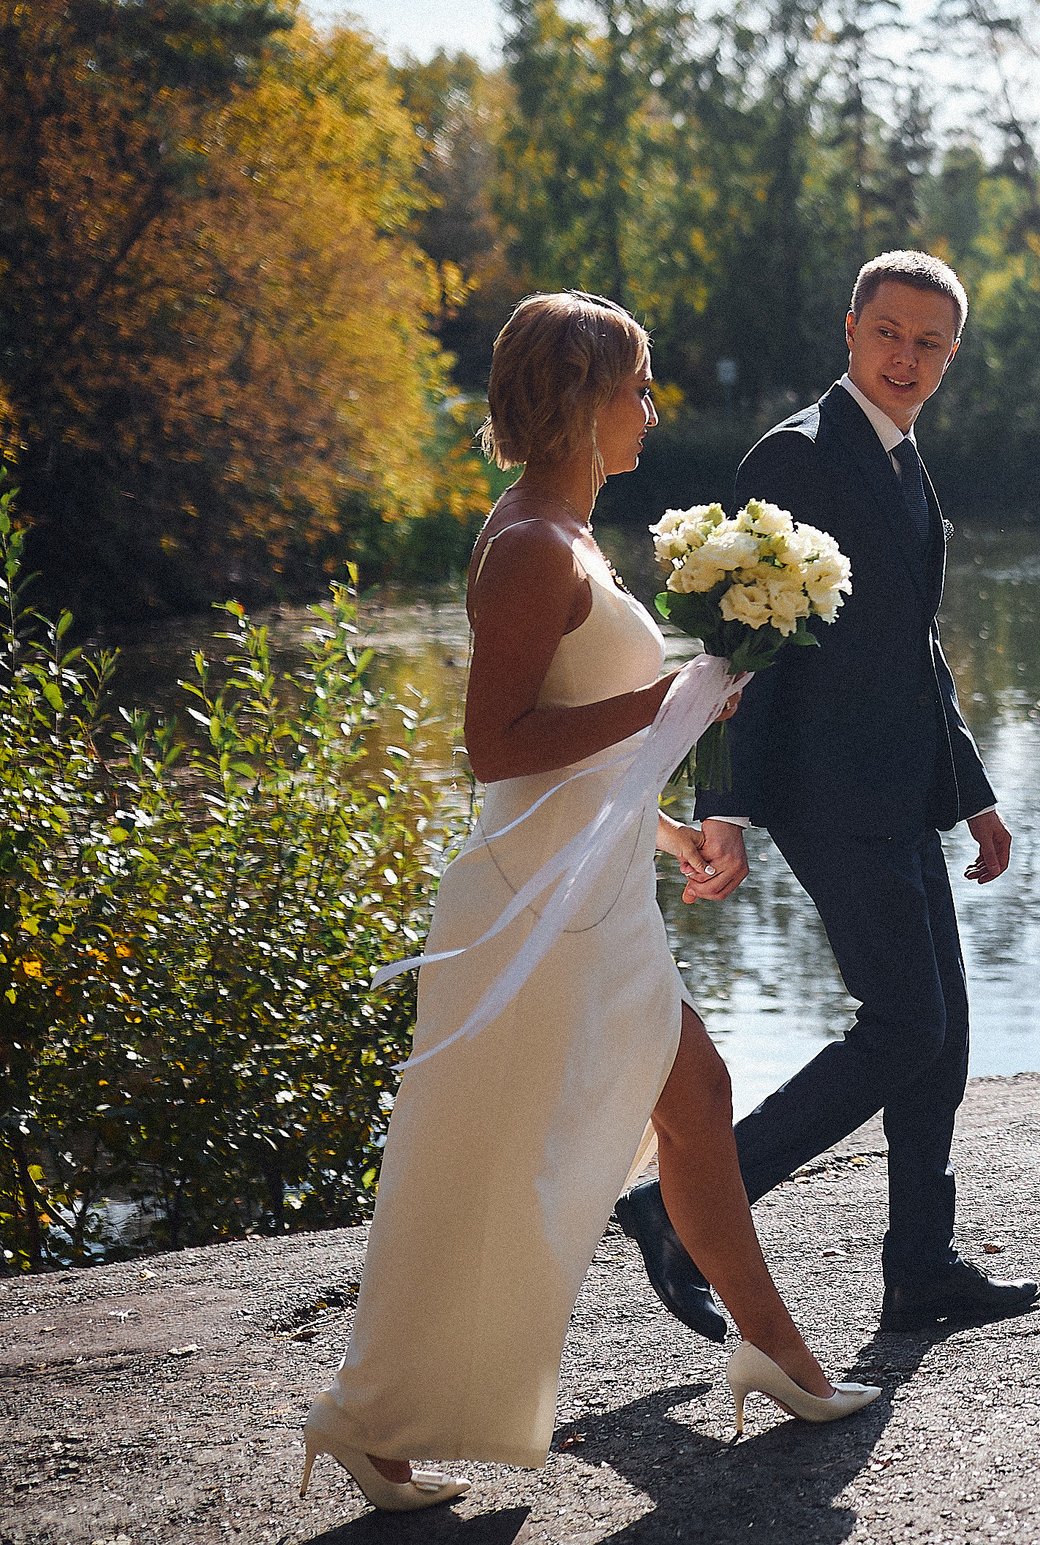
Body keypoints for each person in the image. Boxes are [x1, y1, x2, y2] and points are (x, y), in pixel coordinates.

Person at [300, 291, 871, 1515]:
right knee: (481, 1154)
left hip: (593, 890)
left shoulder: (569, 535)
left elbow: (574, 752)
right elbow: (496, 746)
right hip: (534, 915)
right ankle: (371, 1415)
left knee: (696, 1095)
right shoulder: (527, 549)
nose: (652, 408)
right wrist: (676, 695)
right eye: (640, 386)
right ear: (583, 397)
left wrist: (662, 826)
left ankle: (769, 1345)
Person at [615, 252, 1039, 1341]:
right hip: (825, 791)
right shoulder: (797, 456)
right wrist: (729, 808)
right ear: (850, 329)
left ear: (950, 355)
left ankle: (920, 1266)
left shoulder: (903, 461)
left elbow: (914, 653)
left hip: (903, 787)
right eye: (889, 332)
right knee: (903, 1022)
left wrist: (975, 796)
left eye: (929, 342)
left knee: (939, 1037)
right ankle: (678, 1205)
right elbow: (738, 645)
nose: (907, 356)